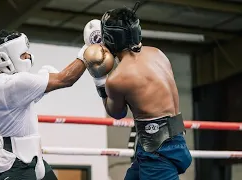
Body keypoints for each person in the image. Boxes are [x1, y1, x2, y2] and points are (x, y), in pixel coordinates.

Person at [0, 19, 101, 180]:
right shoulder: (15, 84)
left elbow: (17, 102)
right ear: (4, 58)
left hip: (33, 158)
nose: (29, 56)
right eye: (23, 54)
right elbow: (66, 79)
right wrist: (88, 49)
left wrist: (39, 86)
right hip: (17, 165)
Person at [82, 3, 192, 180]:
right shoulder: (157, 53)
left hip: (157, 153)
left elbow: (116, 113)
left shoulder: (119, 78)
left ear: (109, 38)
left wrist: (99, 79)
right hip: (169, 141)